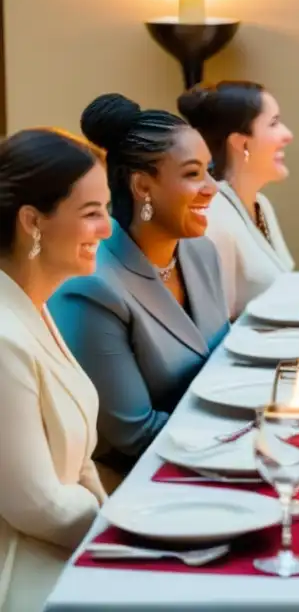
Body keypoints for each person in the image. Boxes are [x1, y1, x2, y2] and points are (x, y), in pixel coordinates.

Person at [51, 94, 229, 479]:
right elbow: (136, 435)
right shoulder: (91, 286)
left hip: (213, 456)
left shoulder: (201, 252)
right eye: (193, 173)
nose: (213, 187)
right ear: (143, 186)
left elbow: (226, 363)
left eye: (210, 171)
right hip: (140, 483)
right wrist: (255, 436)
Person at [0, 129, 112, 612]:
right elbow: (35, 505)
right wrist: (127, 534)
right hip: (21, 577)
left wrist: (114, 519)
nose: (107, 228)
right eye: (92, 213)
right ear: (33, 221)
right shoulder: (3, 334)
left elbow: (78, 455)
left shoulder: (33, 304)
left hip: (65, 547)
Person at [178, 80, 295, 320]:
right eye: (273, 123)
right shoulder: (212, 216)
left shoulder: (261, 204)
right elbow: (217, 329)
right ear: (242, 143)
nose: (288, 135)